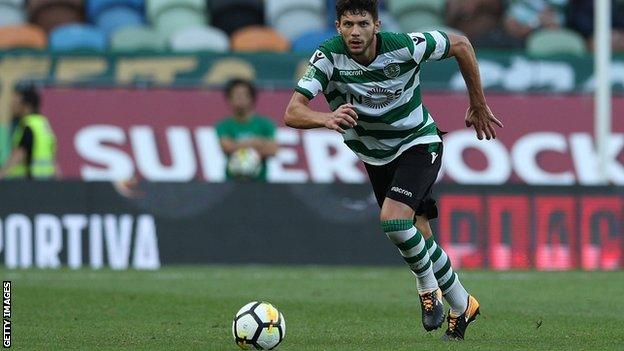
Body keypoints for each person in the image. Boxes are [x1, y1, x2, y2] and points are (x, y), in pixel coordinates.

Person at [283, 0, 503, 341]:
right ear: (338, 27)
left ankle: (428, 291)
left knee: (394, 221)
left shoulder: (404, 46)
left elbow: (461, 44)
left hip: (418, 142)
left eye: (363, 24)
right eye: (348, 25)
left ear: (377, 25)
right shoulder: (327, 57)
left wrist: (477, 102)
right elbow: (293, 112)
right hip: (375, 156)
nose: (356, 32)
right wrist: (325, 118)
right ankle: (462, 304)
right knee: (418, 233)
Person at [216, 78, 278, 181]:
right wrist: (257, 142)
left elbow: (272, 149)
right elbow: (226, 147)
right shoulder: (223, 125)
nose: (239, 98)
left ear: (251, 98)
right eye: (236, 95)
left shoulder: (265, 124)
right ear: (229, 99)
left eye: (243, 95)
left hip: (260, 183)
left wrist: (240, 147)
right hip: (231, 182)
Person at [0, 85, 57, 180]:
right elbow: (53, 158)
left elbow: (20, 153)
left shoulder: (28, 125)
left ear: (27, 106)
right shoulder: (43, 124)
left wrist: (2, 173)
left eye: (17, 103)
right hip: (46, 181)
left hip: (29, 182)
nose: (12, 106)